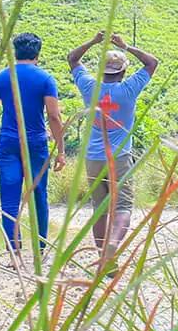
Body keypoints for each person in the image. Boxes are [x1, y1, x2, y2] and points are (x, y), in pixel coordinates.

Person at [66, 30, 157, 264]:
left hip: (93, 157)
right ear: (124, 71)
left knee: (99, 208)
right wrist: (126, 47)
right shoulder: (129, 89)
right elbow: (152, 62)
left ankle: (102, 256)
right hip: (119, 156)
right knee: (123, 205)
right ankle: (112, 248)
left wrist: (94, 41)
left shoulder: (89, 87)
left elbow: (72, 58)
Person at [0, 32, 65, 259]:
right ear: (38, 53)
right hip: (36, 143)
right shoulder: (46, 79)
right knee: (39, 194)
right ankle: (40, 250)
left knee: (9, 197)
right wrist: (61, 151)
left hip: (8, 142)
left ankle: (14, 253)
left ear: (15, 52)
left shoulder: (1, 77)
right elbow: (54, 117)